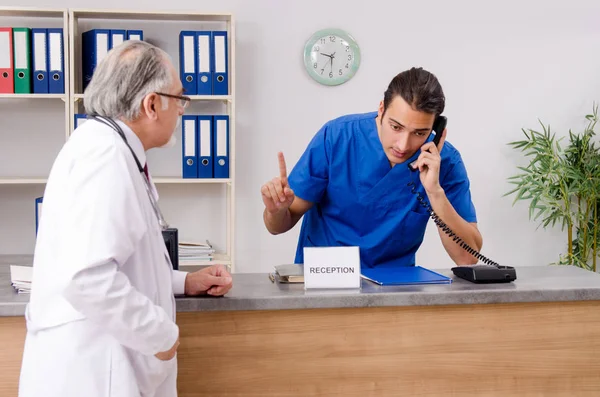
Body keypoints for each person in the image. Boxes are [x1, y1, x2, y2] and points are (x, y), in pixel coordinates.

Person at [18, 40, 233, 397]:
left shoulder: (110, 148)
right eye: (180, 99)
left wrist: (181, 282)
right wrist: (160, 335)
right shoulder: (104, 155)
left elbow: (123, 258)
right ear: (152, 104)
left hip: (101, 364)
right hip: (93, 372)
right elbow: (88, 278)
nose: (182, 111)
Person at [261, 67, 482, 269]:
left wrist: (435, 192)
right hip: (324, 281)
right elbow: (278, 226)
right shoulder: (338, 137)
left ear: (436, 129)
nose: (403, 145)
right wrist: (276, 210)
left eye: (419, 133)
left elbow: (466, 257)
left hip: (394, 289)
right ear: (381, 109)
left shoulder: (446, 162)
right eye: (396, 127)